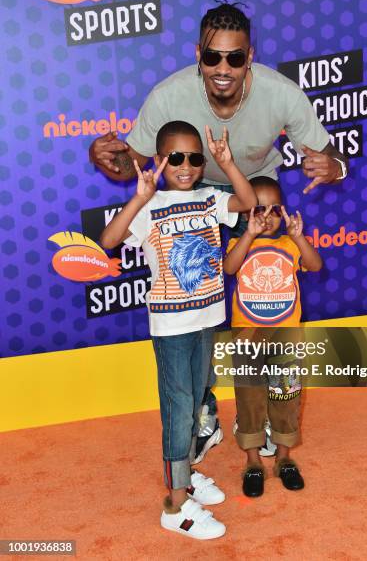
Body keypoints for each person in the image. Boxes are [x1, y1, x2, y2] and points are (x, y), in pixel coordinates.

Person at [90, 2, 348, 462]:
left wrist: (336, 167)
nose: (222, 68)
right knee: (201, 309)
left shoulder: (280, 93)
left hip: (254, 203)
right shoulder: (169, 96)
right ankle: (205, 413)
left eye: (234, 57)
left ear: (250, 56)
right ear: (198, 55)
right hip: (196, 202)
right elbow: (131, 163)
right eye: (213, 57)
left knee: (265, 309)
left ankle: (267, 413)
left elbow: (327, 157)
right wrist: (105, 159)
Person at [100, 120, 256, 538]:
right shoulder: (149, 206)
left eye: (194, 158)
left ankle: (186, 473)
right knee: (179, 407)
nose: (185, 166)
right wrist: (138, 199)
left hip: (208, 319)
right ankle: (175, 504)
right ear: (159, 159)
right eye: (175, 158)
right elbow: (109, 240)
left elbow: (248, 200)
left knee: (201, 399)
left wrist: (228, 163)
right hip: (171, 327)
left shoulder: (210, 198)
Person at [223, 176, 322, 497]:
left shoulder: (289, 245)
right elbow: (229, 268)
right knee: (249, 401)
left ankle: (284, 459)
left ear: (283, 212)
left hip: (286, 338)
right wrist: (248, 236)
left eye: (274, 210)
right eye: (258, 210)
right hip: (248, 339)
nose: (267, 217)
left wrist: (300, 237)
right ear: (245, 214)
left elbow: (315, 265)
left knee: (286, 398)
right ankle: (253, 461)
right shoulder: (239, 244)